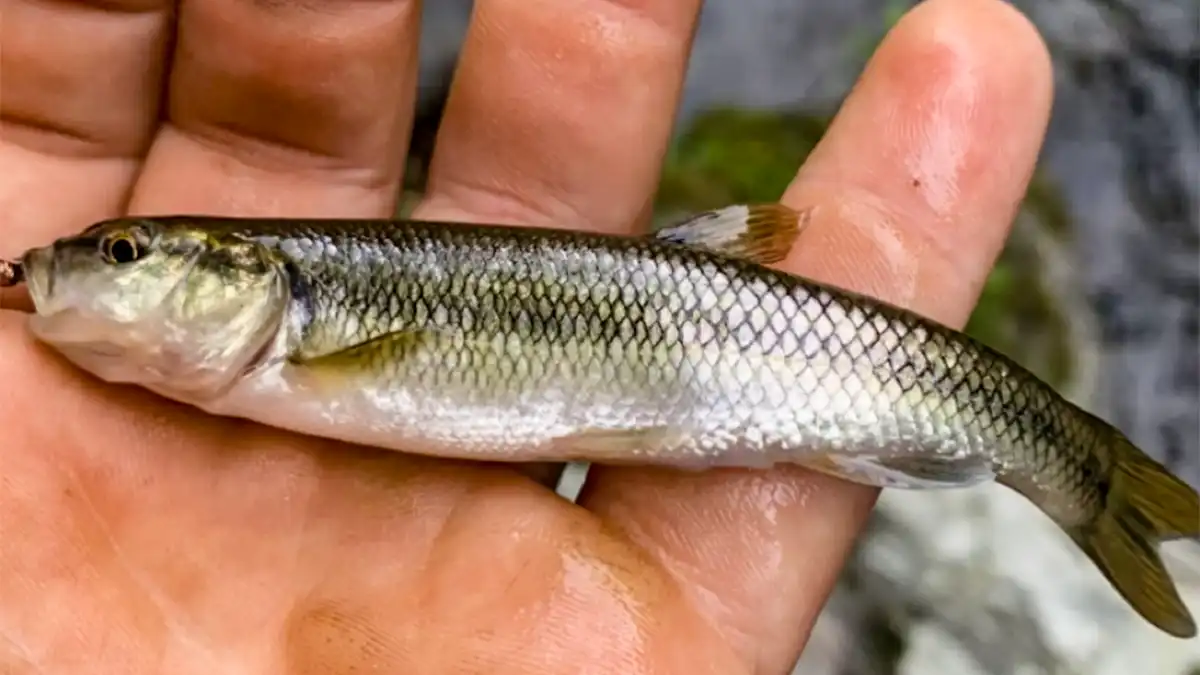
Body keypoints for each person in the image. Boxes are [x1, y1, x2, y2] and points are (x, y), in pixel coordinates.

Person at [0, 0, 1053, 671]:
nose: (94, 262)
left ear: (249, 280)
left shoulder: (299, 340)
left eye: (125, 252)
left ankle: (1065, 457)